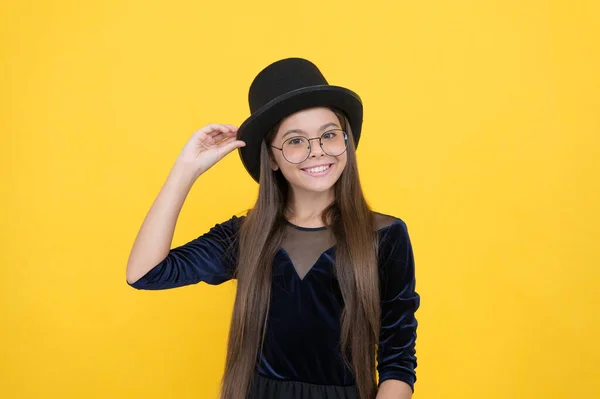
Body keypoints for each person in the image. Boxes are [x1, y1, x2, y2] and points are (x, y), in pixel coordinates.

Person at [126, 58, 420, 399]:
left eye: (328, 135)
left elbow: (398, 361)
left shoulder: (385, 236)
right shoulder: (246, 236)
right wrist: (185, 170)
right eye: (296, 141)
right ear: (272, 158)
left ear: (346, 141)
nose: (317, 151)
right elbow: (145, 273)